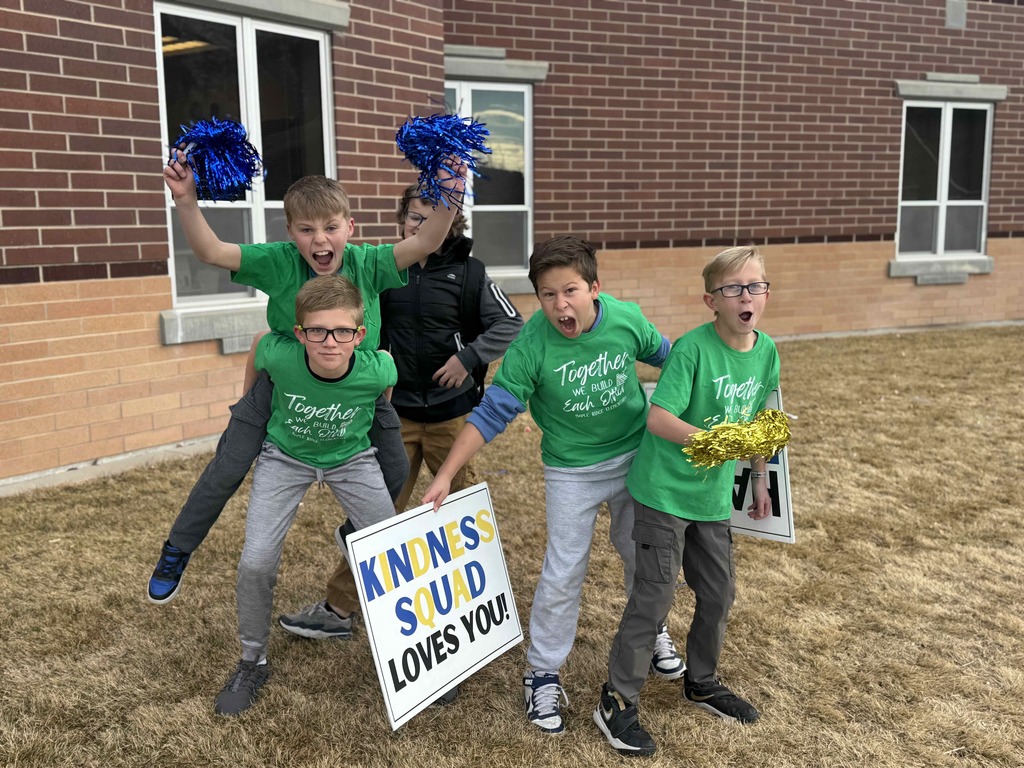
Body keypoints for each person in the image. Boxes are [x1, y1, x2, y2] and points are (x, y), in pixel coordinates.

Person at [146, 151, 465, 606]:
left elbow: (428, 240)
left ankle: (353, 531)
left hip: (356, 385)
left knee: (395, 468)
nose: (320, 239)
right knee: (228, 465)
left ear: (349, 228)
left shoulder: (369, 263)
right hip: (284, 383)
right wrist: (185, 200)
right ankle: (177, 549)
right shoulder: (278, 262)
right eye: (306, 229)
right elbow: (211, 251)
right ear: (290, 232)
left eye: (331, 227)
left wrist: (450, 192)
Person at [421, 235, 685, 734]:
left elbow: (673, 359)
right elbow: (491, 412)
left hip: (636, 459)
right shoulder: (531, 346)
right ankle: (542, 672)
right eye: (548, 294)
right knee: (564, 571)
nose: (561, 304)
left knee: (645, 558)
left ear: (594, 288)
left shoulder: (626, 319)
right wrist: (446, 473)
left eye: (570, 291)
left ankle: (652, 632)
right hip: (571, 470)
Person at [276, 185, 523, 647]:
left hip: (452, 415)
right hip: (397, 414)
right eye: (413, 216)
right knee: (380, 512)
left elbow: (510, 323)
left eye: (431, 217)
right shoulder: (384, 271)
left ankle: (481, 603)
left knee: (460, 512)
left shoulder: (471, 272)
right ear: (402, 220)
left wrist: (468, 358)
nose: (420, 225)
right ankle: (338, 609)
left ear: (451, 222)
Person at [593, 245, 780, 757]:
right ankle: (616, 700)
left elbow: (759, 421)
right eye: (733, 289)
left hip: (712, 498)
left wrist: (759, 481)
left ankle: (701, 681)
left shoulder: (767, 352)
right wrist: (715, 442)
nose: (746, 296)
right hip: (663, 491)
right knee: (654, 596)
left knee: (718, 592)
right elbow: (659, 419)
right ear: (711, 301)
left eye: (755, 286)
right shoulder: (692, 350)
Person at [214, 274, 397, 716]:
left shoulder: (378, 368)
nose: (329, 342)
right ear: (299, 333)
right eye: (317, 330)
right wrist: (248, 408)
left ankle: (410, 653)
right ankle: (252, 660)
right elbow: (259, 346)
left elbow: (385, 391)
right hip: (285, 457)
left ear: (360, 335)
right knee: (256, 561)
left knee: (392, 554)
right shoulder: (281, 355)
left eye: (342, 332)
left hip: (352, 459)